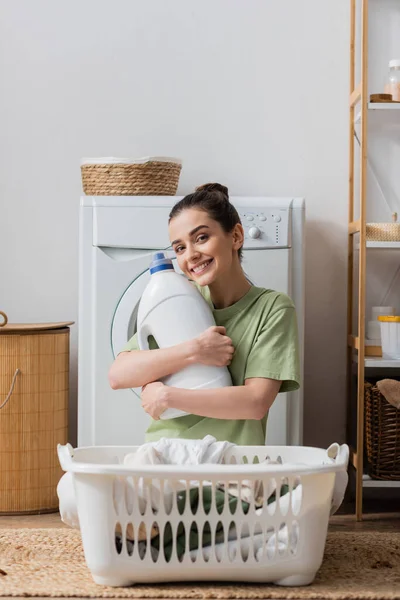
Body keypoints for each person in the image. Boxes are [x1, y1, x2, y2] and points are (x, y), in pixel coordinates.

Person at [108, 183, 300, 446]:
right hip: (167, 454)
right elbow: (118, 375)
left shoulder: (272, 308)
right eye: (179, 248)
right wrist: (194, 350)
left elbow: (255, 403)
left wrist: (167, 397)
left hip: (232, 462)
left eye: (201, 238)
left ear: (236, 237)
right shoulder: (178, 298)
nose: (191, 255)